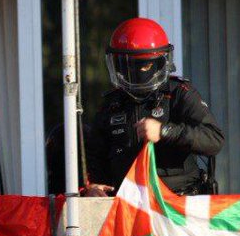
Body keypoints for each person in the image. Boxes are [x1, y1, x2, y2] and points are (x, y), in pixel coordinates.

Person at [84, 17, 224, 197]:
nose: (134, 73)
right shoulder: (112, 105)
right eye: (126, 66)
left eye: (144, 66)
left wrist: (165, 132)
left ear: (159, 63)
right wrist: (93, 187)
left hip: (177, 206)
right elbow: (96, 157)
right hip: (128, 209)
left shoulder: (179, 94)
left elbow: (214, 140)